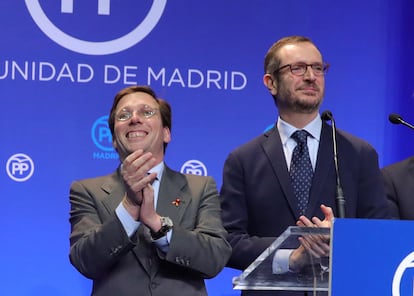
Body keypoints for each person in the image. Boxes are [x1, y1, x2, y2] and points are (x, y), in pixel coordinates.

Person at [219, 36, 390, 295]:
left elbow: (380, 235)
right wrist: (292, 255)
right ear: (271, 82)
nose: (311, 76)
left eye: (318, 68)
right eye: (297, 68)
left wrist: (339, 241)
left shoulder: (359, 154)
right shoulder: (243, 160)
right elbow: (228, 241)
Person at [69, 85, 231, 296]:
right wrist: (128, 207)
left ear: (166, 133)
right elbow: (86, 261)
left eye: (147, 112)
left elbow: (214, 259)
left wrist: (157, 224)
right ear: (114, 141)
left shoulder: (199, 188)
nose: (134, 119)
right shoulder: (87, 191)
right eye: (124, 115)